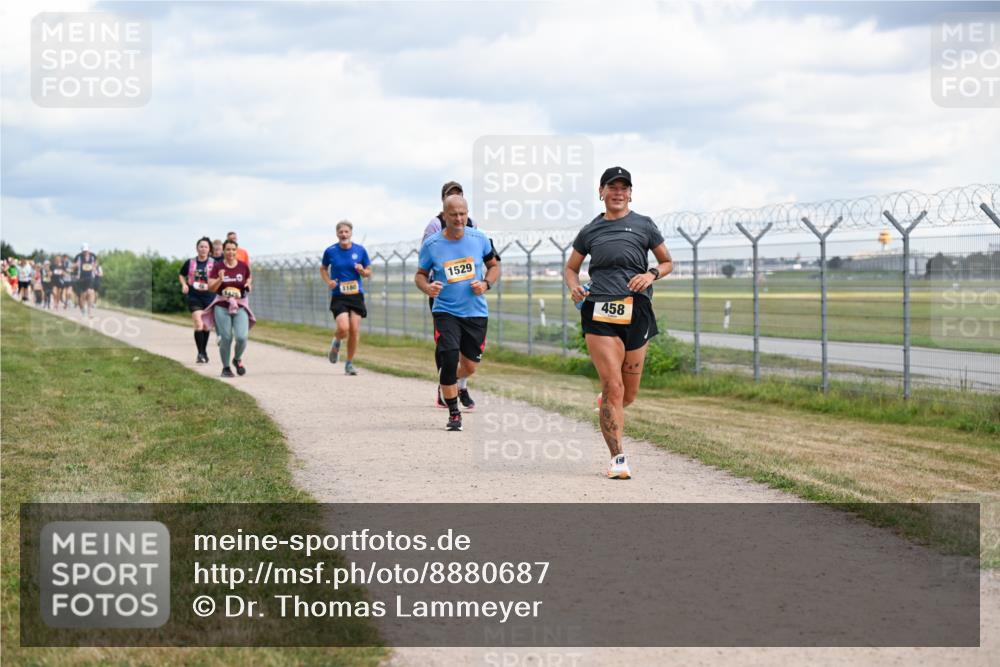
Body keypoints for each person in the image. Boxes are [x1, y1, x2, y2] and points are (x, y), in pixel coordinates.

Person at [564, 167, 673, 480]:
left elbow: (667, 262)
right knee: (613, 386)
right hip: (599, 310)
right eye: (612, 187)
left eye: (624, 188)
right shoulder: (590, 230)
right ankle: (617, 459)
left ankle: (607, 404)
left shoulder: (644, 225)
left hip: (636, 310)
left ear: (630, 193)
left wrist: (651, 274)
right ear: (601, 191)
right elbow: (571, 268)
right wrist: (574, 286)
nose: (618, 192)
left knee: (629, 394)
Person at [416, 194, 501, 431]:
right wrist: (428, 288)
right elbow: (420, 275)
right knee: (449, 355)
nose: (459, 218)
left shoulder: (480, 238)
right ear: (444, 216)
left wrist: (485, 284)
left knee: (470, 365)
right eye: (453, 214)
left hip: (475, 312)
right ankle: (454, 412)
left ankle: (454, 383)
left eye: (463, 214)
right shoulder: (432, 244)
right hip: (445, 310)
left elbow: (494, 266)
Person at [320, 220, 372, 376]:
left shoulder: (360, 250)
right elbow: (323, 268)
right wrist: (329, 281)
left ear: (351, 233)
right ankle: (336, 341)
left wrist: (362, 271)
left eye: (346, 232)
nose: (343, 234)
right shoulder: (330, 251)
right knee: (343, 328)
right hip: (339, 295)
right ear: (337, 233)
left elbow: (369, 271)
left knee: (354, 330)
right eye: (341, 232)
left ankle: (349, 363)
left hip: (356, 294)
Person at [203, 239, 254, 378]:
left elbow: (249, 279)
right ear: (223, 251)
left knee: (242, 337)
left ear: (236, 251)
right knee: (226, 338)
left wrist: (249, 285)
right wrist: (220, 279)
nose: (231, 252)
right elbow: (211, 287)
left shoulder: (243, 266)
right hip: (222, 306)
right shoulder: (217, 266)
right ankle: (226, 368)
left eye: (233, 249)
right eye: (228, 249)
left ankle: (237, 359)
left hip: (240, 305)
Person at [179, 237, 217, 364]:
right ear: (197, 248)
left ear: (209, 249)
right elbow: (181, 274)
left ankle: (203, 351)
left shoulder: (214, 263)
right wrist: (184, 284)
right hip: (194, 296)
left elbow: (219, 278)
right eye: (201, 246)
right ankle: (200, 353)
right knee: (198, 323)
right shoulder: (190, 262)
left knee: (206, 327)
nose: (203, 249)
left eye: (206, 247)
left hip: (209, 297)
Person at [73, 243, 99, 317]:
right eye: (84, 251)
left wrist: (95, 267)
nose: (85, 252)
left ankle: (89, 312)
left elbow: (95, 263)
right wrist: (76, 265)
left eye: (86, 251)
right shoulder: (78, 257)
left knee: (90, 292)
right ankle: (82, 310)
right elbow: (73, 266)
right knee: (82, 295)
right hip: (81, 278)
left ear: (89, 250)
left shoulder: (93, 256)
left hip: (90, 277)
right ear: (82, 251)